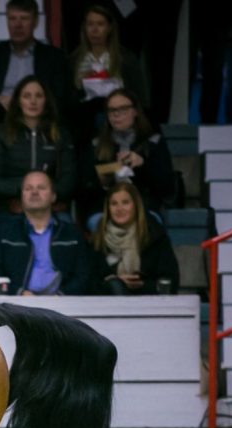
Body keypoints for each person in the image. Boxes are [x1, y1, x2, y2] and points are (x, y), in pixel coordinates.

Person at [0, 0, 73, 160]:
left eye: (24, 18)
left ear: (35, 22)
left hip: (39, 110)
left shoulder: (54, 57)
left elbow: (60, 96)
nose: (17, 25)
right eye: (12, 19)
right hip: (1, 112)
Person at [0, 170, 92, 295]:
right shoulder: (2, 232)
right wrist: (20, 293)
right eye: (28, 188)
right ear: (21, 196)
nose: (34, 192)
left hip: (63, 305)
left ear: (53, 196)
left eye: (41, 188)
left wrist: (61, 295)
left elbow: (84, 277)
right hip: (17, 305)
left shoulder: (72, 233)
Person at [0, 75, 75, 214]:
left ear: (46, 101)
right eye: (26, 96)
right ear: (18, 101)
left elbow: (69, 180)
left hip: (52, 208)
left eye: (39, 96)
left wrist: (45, 197)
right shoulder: (0, 133)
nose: (33, 101)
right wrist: (25, 192)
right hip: (10, 207)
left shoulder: (60, 134)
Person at [79, 88, 174, 221]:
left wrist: (142, 164)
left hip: (144, 207)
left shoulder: (153, 142)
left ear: (135, 111)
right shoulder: (97, 144)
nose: (117, 114)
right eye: (112, 110)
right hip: (105, 208)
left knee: (148, 225)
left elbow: (167, 187)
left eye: (123, 109)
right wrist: (110, 171)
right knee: (97, 223)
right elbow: (85, 186)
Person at [67, 4, 148, 145]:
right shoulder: (74, 60)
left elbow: (140, 96)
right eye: (90, 24)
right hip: (84, 123)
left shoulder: (126, 58)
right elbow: (67, 99)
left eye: (100, 24)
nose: (94, 30)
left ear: (109, 28)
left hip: (120, 120)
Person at [91, 182, 179, 296]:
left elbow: (170, 282)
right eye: (114, 204)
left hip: (149, 304)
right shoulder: (98, 239)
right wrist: (114, 281)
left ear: (136, 206)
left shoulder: (155, 236)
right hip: (108, 305)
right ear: (108, 208)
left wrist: (142, 285)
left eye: (125, 203)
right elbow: (90, 283)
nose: (119, 208)